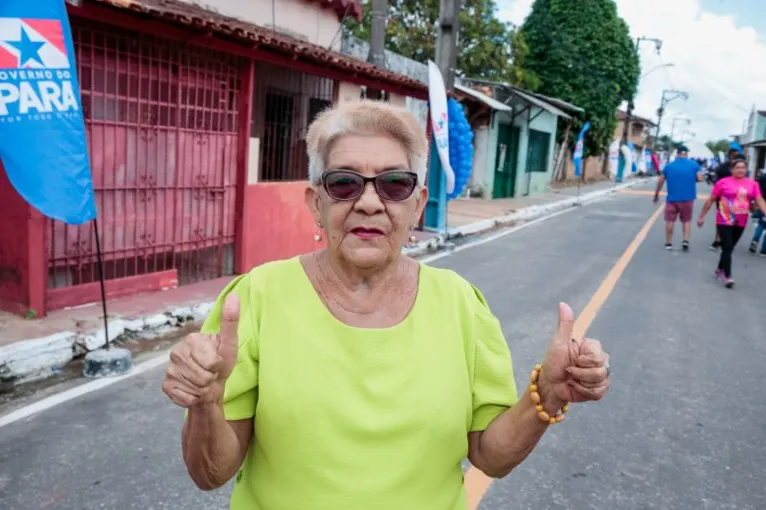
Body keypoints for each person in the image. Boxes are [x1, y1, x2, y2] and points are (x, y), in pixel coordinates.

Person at [161, 101, 612, 510]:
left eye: (395, 184)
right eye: (343, 183)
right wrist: (206, 403)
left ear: (417, 206)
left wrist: (548, 397)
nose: (370, 203)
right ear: (315, 204)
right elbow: (210, 473)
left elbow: (491, 458)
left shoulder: (460, 304)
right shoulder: (257, 298)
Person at [697, 158, 766, 288]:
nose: (740, 170)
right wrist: (702, 216)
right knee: (727, 246)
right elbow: (711, 200)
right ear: (732, 170)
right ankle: (727, 276)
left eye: (743, 168)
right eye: (737, 167)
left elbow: (759, 200)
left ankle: (719, 269)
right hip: (724, 218)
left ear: (746, 170)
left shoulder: (752, 184)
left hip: (741, 219)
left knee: (730, 247)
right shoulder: (723, 182)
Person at [653, 145, 702, 251]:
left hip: (672, 199)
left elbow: (661, 180)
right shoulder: (694, 165)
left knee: (670, 221)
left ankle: (668, 243)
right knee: (686, 221)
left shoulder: (669, 166)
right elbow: (700, 178)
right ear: (686, 154)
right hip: (688, 199)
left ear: (677, 154)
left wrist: (656, 193)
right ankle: (685, 241)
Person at [709, 146, 744, 251]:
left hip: (730, 197)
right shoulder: (730, 168)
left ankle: (720, 240)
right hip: (725, 197)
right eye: (735, 154)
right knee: (726, 219)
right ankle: (720, 240)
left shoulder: (723, 167)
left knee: (726, 219)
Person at [749, 168, 766, 256]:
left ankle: (755, 240)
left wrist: (755, 203)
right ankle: (764, 250)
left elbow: (758, 191)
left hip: (762, 202)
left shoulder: (762, 177)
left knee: (761, 224)